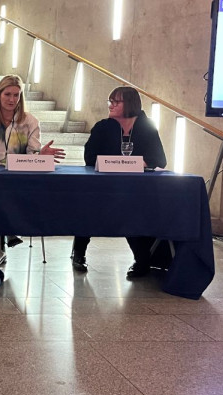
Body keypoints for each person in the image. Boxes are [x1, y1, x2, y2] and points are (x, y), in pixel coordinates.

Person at [0, 74, 65, 264]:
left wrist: (42, 156)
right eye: (8, 94)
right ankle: (6, 235)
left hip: (19, 173)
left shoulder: (30, 121)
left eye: (16, 95)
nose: (12, 100)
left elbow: (33, 155)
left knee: (3, 188)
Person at [71, 86, 167, 278]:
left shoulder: (147, 127)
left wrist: (130, 163)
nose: (111, 105)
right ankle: (78, 254)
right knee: (88, 204)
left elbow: (159, 159)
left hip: (135, 188)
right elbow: (90, 158)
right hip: (104, 185)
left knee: (132, 209)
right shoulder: (102, 127)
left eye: (116, 102)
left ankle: (142, 260)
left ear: (130, 104)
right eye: (110, 101)